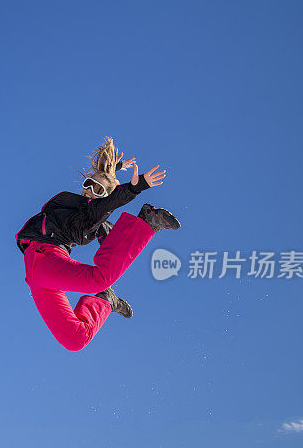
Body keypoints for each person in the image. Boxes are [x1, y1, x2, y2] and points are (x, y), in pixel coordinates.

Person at [15, 137, 180, 351]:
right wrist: (120, 177)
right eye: (87, 184)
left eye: (97, 190)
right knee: (99, 280)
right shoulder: (74, 207)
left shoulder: (93, 216)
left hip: (43, 269)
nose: (89, 190)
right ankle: (110, 295)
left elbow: (104, 209)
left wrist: (132, 187)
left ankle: (105, 300)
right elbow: (101, 205)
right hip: (42, 258)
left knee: (75, 340)